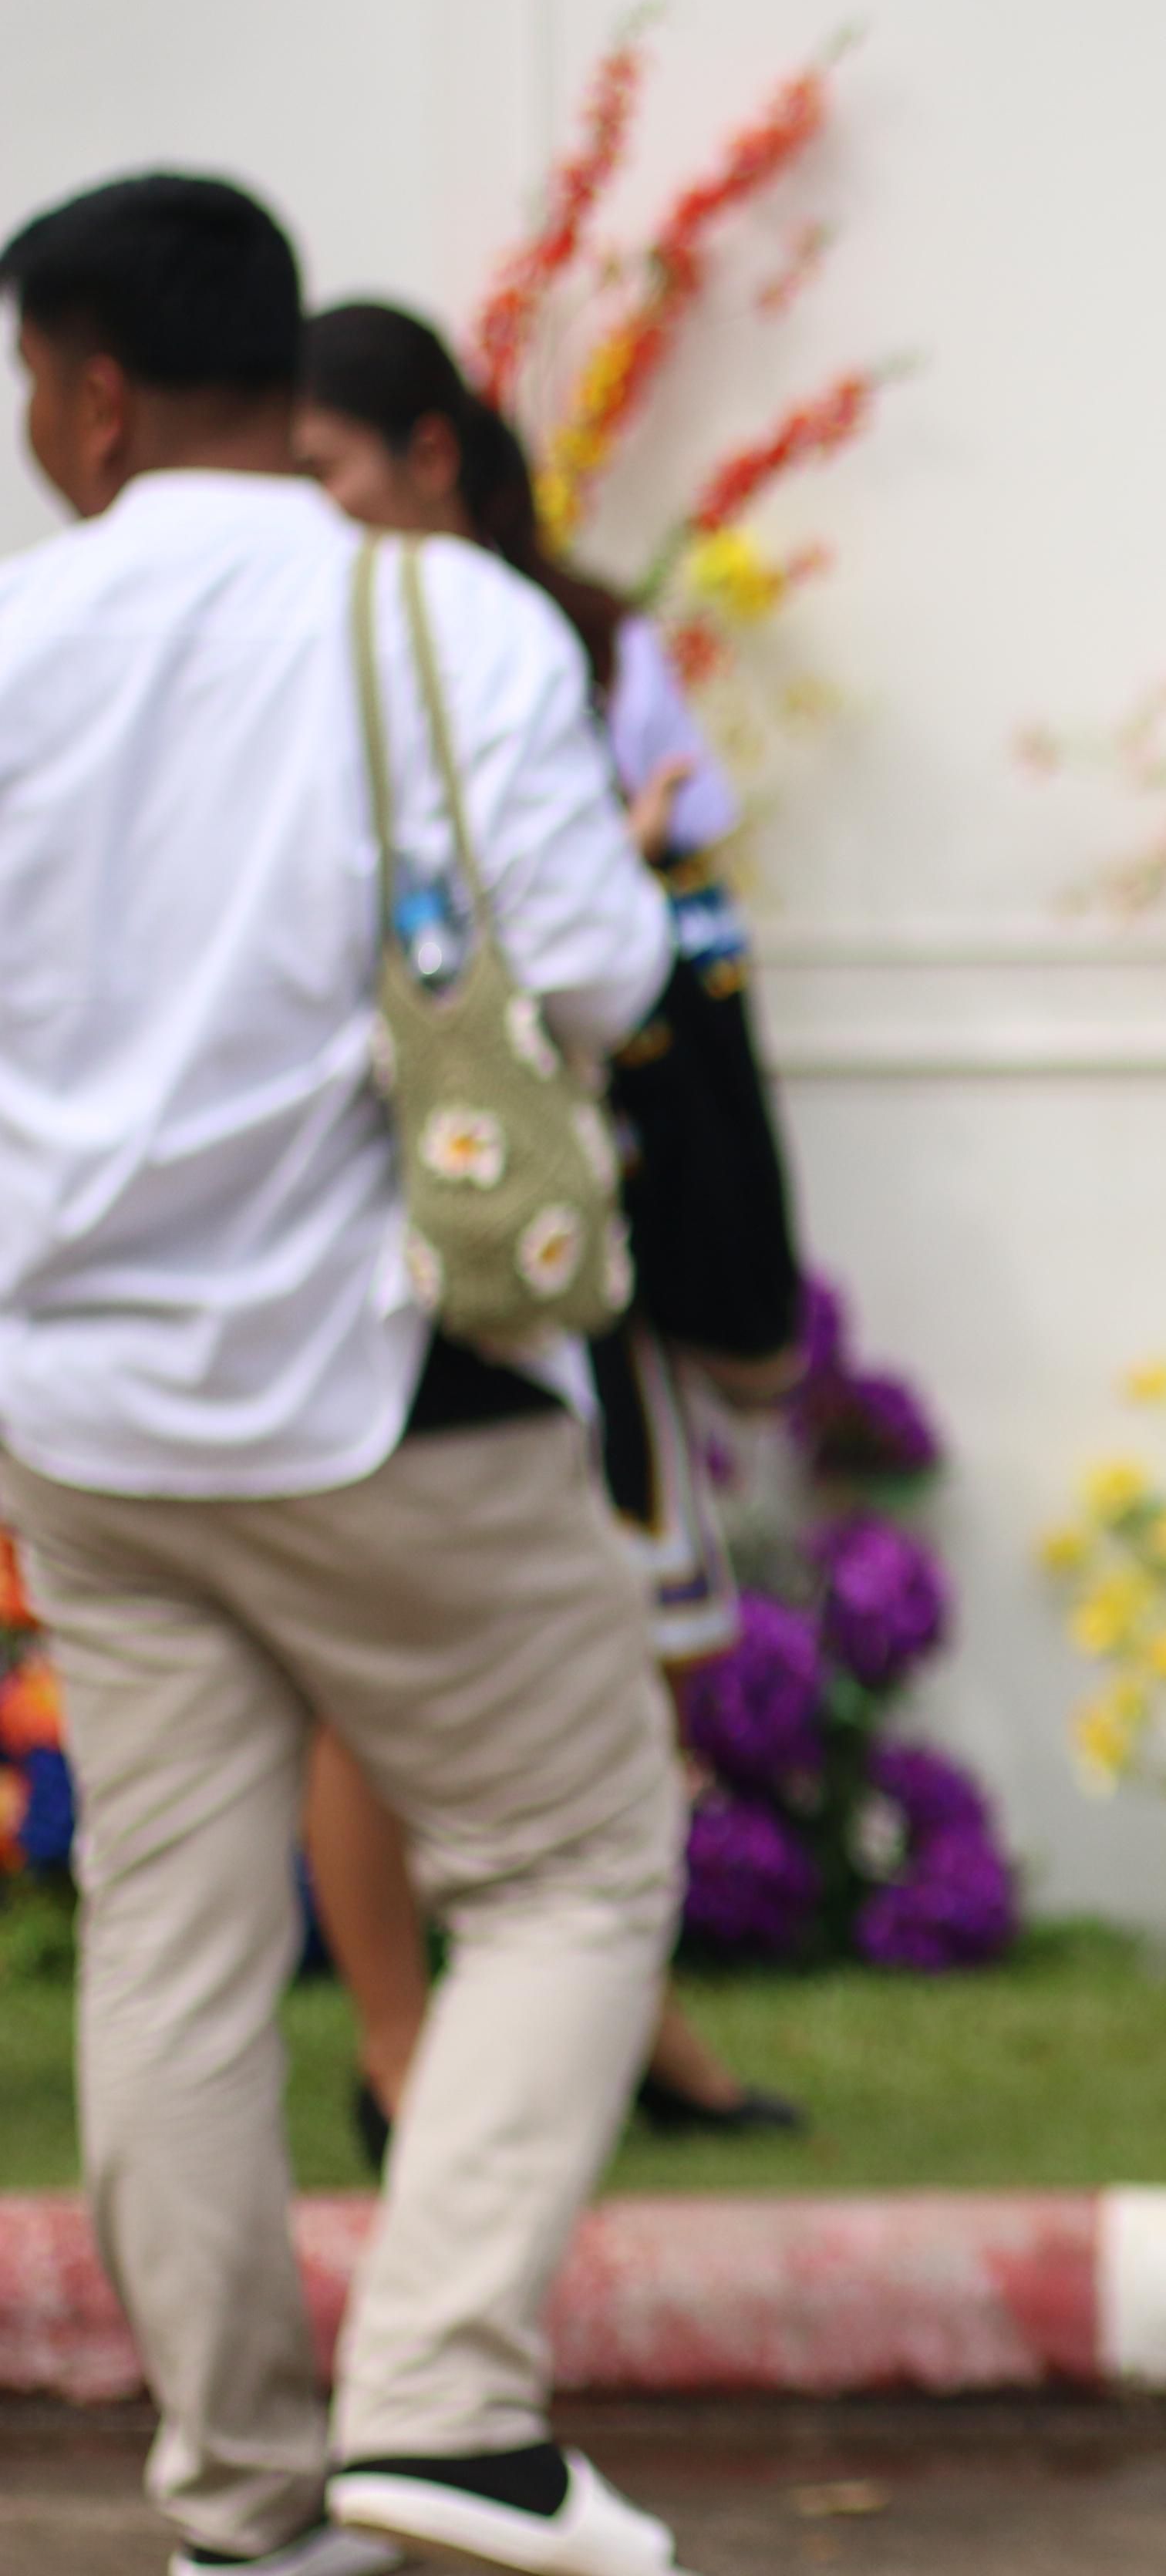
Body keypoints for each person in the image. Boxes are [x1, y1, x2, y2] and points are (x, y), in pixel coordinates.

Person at [0, 173, 689, 2576]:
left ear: (87, 392)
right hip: (391, 1372)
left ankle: (242, 2511)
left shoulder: (9, 639)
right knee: (581, 1856)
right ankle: (444, 2402)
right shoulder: (442, 618)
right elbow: (598, 974)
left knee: (173, 1944)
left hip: (83, 1410)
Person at [291, 300, 810, 2164]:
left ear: (433, 452)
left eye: (332, 471)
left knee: (638, 1626)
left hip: (571, 1201)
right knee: (389, 1649)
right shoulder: (311, 642)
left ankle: (631, 2020)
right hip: (394, 1220)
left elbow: (661, 899)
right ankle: (399, 2044)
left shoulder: (571, 632)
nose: (311, 512)